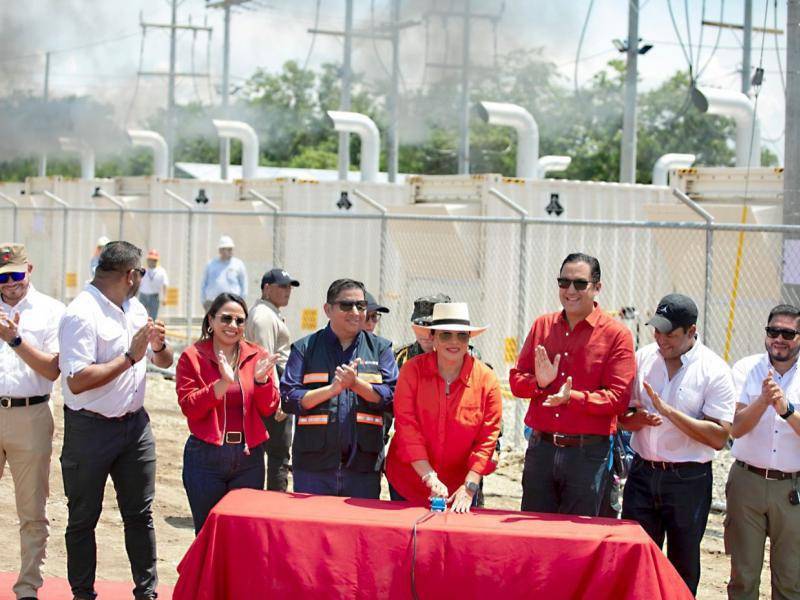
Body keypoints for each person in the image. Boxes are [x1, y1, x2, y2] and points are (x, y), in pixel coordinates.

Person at [58, 241, 173, 600]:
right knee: (83, 519)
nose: (142, 277)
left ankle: (147, 593)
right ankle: (83, 595)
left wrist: (157, 346)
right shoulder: (81, 313)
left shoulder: (135, 307)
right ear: (130, 275)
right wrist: (129, 357)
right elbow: (76, 379)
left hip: (134, 428)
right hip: (89, 429)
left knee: (140, 515)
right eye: (140, 271)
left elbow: (164, 362)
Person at [619, 294, 735, 595]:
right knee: (637, 557)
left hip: (688, 481)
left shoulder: (714, 369)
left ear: (691, 331)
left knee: (682, 565)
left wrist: (669, 412)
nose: (661, 339)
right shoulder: (643, 358)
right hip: (642, 474)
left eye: (670, 334)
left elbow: (719, 437)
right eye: (657, 330)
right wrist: (639, 418)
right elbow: (623, 418)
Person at [509, 252, 636, 517]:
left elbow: (618, 399)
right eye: (563, 282)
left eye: (580, 283)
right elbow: (517, 382)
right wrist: (540, 384)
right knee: (534, 532)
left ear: (597, 287)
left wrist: (572, 397)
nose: (570, 290)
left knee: (578, 537)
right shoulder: (542, 326)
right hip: (540, 450)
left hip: (588, 455)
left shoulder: (616, 335)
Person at [281, 278, 398, 498]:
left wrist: (356, 385)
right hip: (313, 468)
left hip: (363, 467)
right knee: (313, 531)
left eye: (361, 306)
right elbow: (288, 398)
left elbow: (393, 397)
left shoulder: (381, 349)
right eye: (346, 305)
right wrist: (331, 390)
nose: (355, 311)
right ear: (328, 309)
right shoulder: (305, 348)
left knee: (357, 531)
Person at [176, 293, 280, 533]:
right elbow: (189, 407)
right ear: (211, 321)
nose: (233, 326)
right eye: (225, 319)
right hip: (205, 456)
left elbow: (269, 408)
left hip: (249, 458)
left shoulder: (257, 356)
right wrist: (222, 383)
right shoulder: (193, 357)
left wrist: (262, 381)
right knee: (207, 533)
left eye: (239, 320)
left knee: (243, 533)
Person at [385, 302, 502, 512]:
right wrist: (428, 476)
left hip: (461, 489)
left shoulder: (487, 379)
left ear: (469, 340)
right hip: (408, 482)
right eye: (446, 335)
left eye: (462, 336)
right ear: (433, 338)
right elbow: (406, 428)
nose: (454, 342)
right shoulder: (411, 371)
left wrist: (470, 486)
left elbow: (488, 438)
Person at [0, 243, 64, 600]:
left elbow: (53, 369)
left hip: (32, 413)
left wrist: (15, 340)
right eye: (2, 277)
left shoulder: (52, 311)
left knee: (32, 510)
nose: (10, 284)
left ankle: (27, 589)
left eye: (15, 275)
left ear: (30, 270)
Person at [725, 304, 800, 599]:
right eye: (773, 331)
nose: (778, 339)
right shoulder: (745, 368)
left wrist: (786, 410)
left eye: (788, 333)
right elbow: (736, 428)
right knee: (743, 576)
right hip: (748, 483)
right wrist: (762, 401)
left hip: (792, 487)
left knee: (791, 579)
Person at [245, 268, 300, 492]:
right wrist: (279, 398)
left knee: (272, 454)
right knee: (278, 455)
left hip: (271, 385)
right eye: (282, 286)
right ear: (267, 288)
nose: (288, 291)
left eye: (289, 287)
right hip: (270, 388)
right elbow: (266, 359)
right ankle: (271, 505)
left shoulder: (268, 313)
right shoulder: (263, 317)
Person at [395, 294, 452, 368]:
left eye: (432, 325)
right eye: (419, 324)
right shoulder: (401, 357)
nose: (426, 333)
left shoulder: (463, 355)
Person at [200, 235, 247, 311]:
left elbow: (244, 284)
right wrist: (203, 301)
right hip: (212, 303)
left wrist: (240, 302)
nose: (231, 251)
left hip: (232, 302)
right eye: (228, 249)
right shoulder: (211, 264)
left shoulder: (238, 264)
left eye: (231, 249)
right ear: (220, 250)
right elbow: (203, 284)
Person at [137, 248, 169, 320]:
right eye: (150, 259)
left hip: (154, 297)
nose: (151, 261)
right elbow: (138, 282)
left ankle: (151, 331)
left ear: (156, 261)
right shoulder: (143, 270)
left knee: (152, 318)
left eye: (153, 260)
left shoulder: (161, 271)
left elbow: (165, 284)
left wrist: (165, 297)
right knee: (140, 316)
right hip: (143, 295)